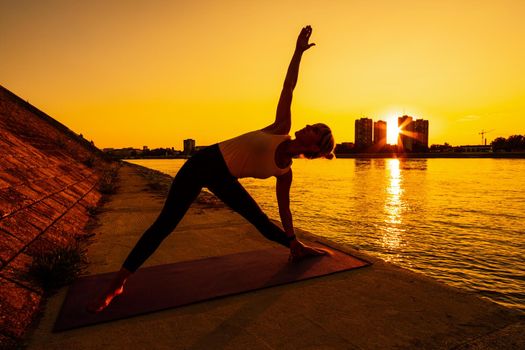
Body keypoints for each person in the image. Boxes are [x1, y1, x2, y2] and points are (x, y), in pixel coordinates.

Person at [88, 25, 335, 313]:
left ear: (315, 148)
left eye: (314, 130)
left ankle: (295, 248)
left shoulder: (285, 172)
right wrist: (297, 52)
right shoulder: (281, 128)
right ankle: (118, 282)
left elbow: (285, 211)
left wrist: (292, 236)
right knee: (165, 224)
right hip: (201, 164)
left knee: (262, 222)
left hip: (225, 177)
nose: (307, 126)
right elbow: (288, 87)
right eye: (312, 125)